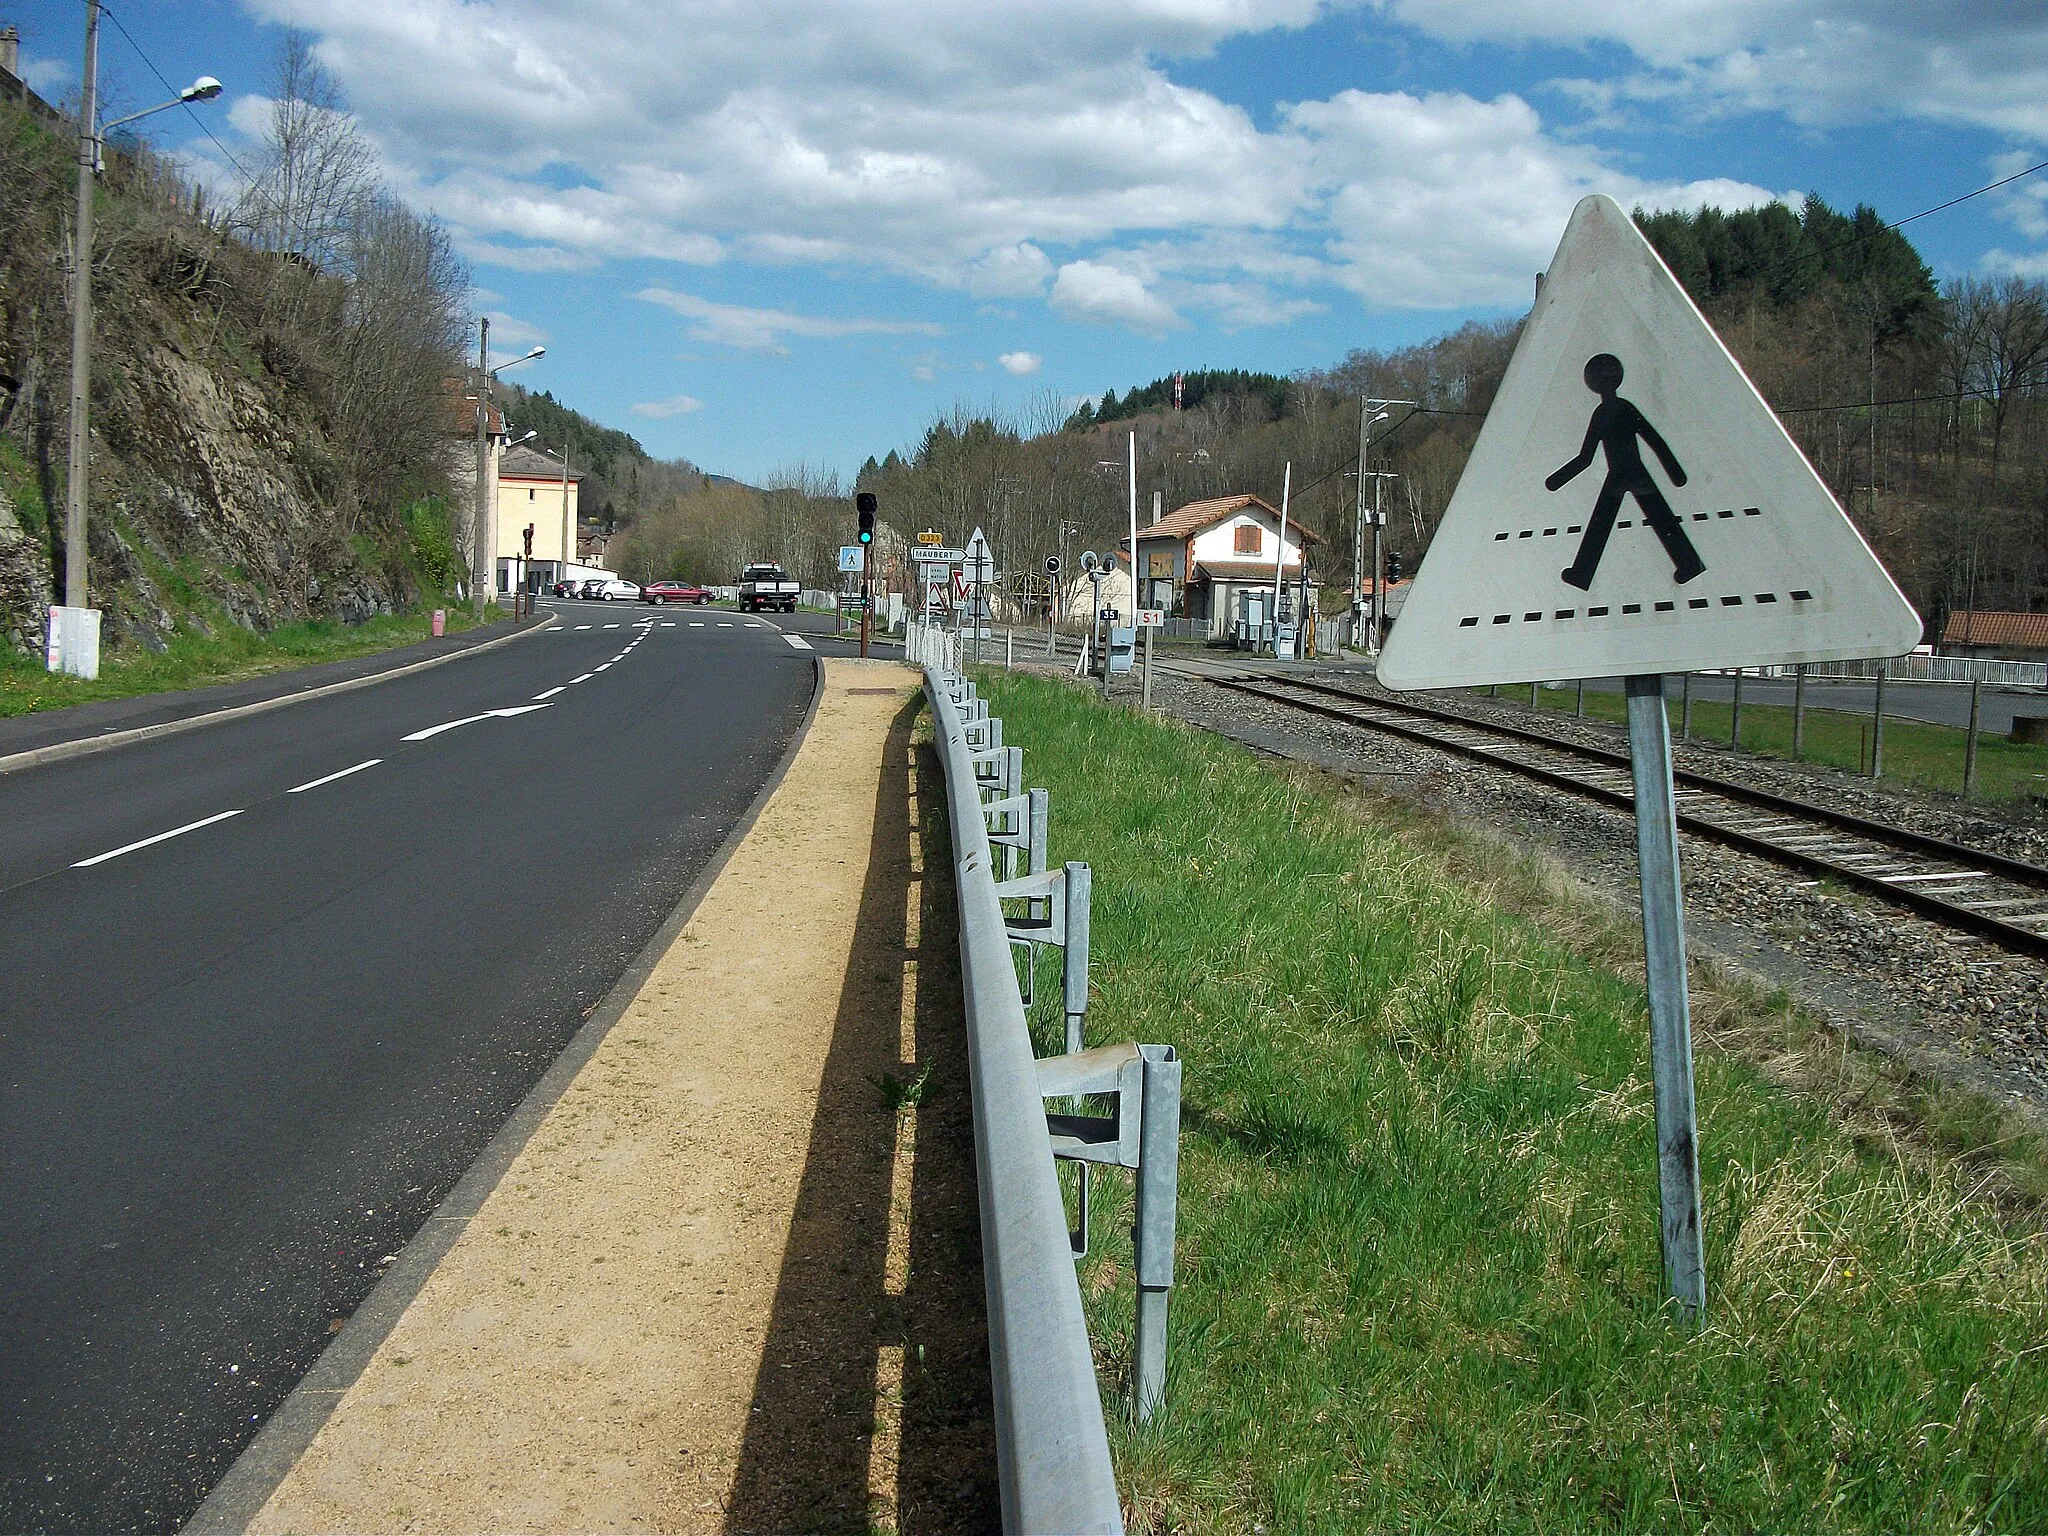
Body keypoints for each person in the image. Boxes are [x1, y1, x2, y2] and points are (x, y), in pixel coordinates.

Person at [1548, 353, 1705, 590]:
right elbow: (1654, 441)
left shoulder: (1604, 413)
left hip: (1621, 474)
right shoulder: (1620, 409)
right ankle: (1689, 563)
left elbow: (1586, 458)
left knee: (1603, 523)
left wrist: (1557, 480)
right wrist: (1675, 473)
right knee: (1658, 518)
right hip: (1630, 473)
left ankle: (1582, 573)